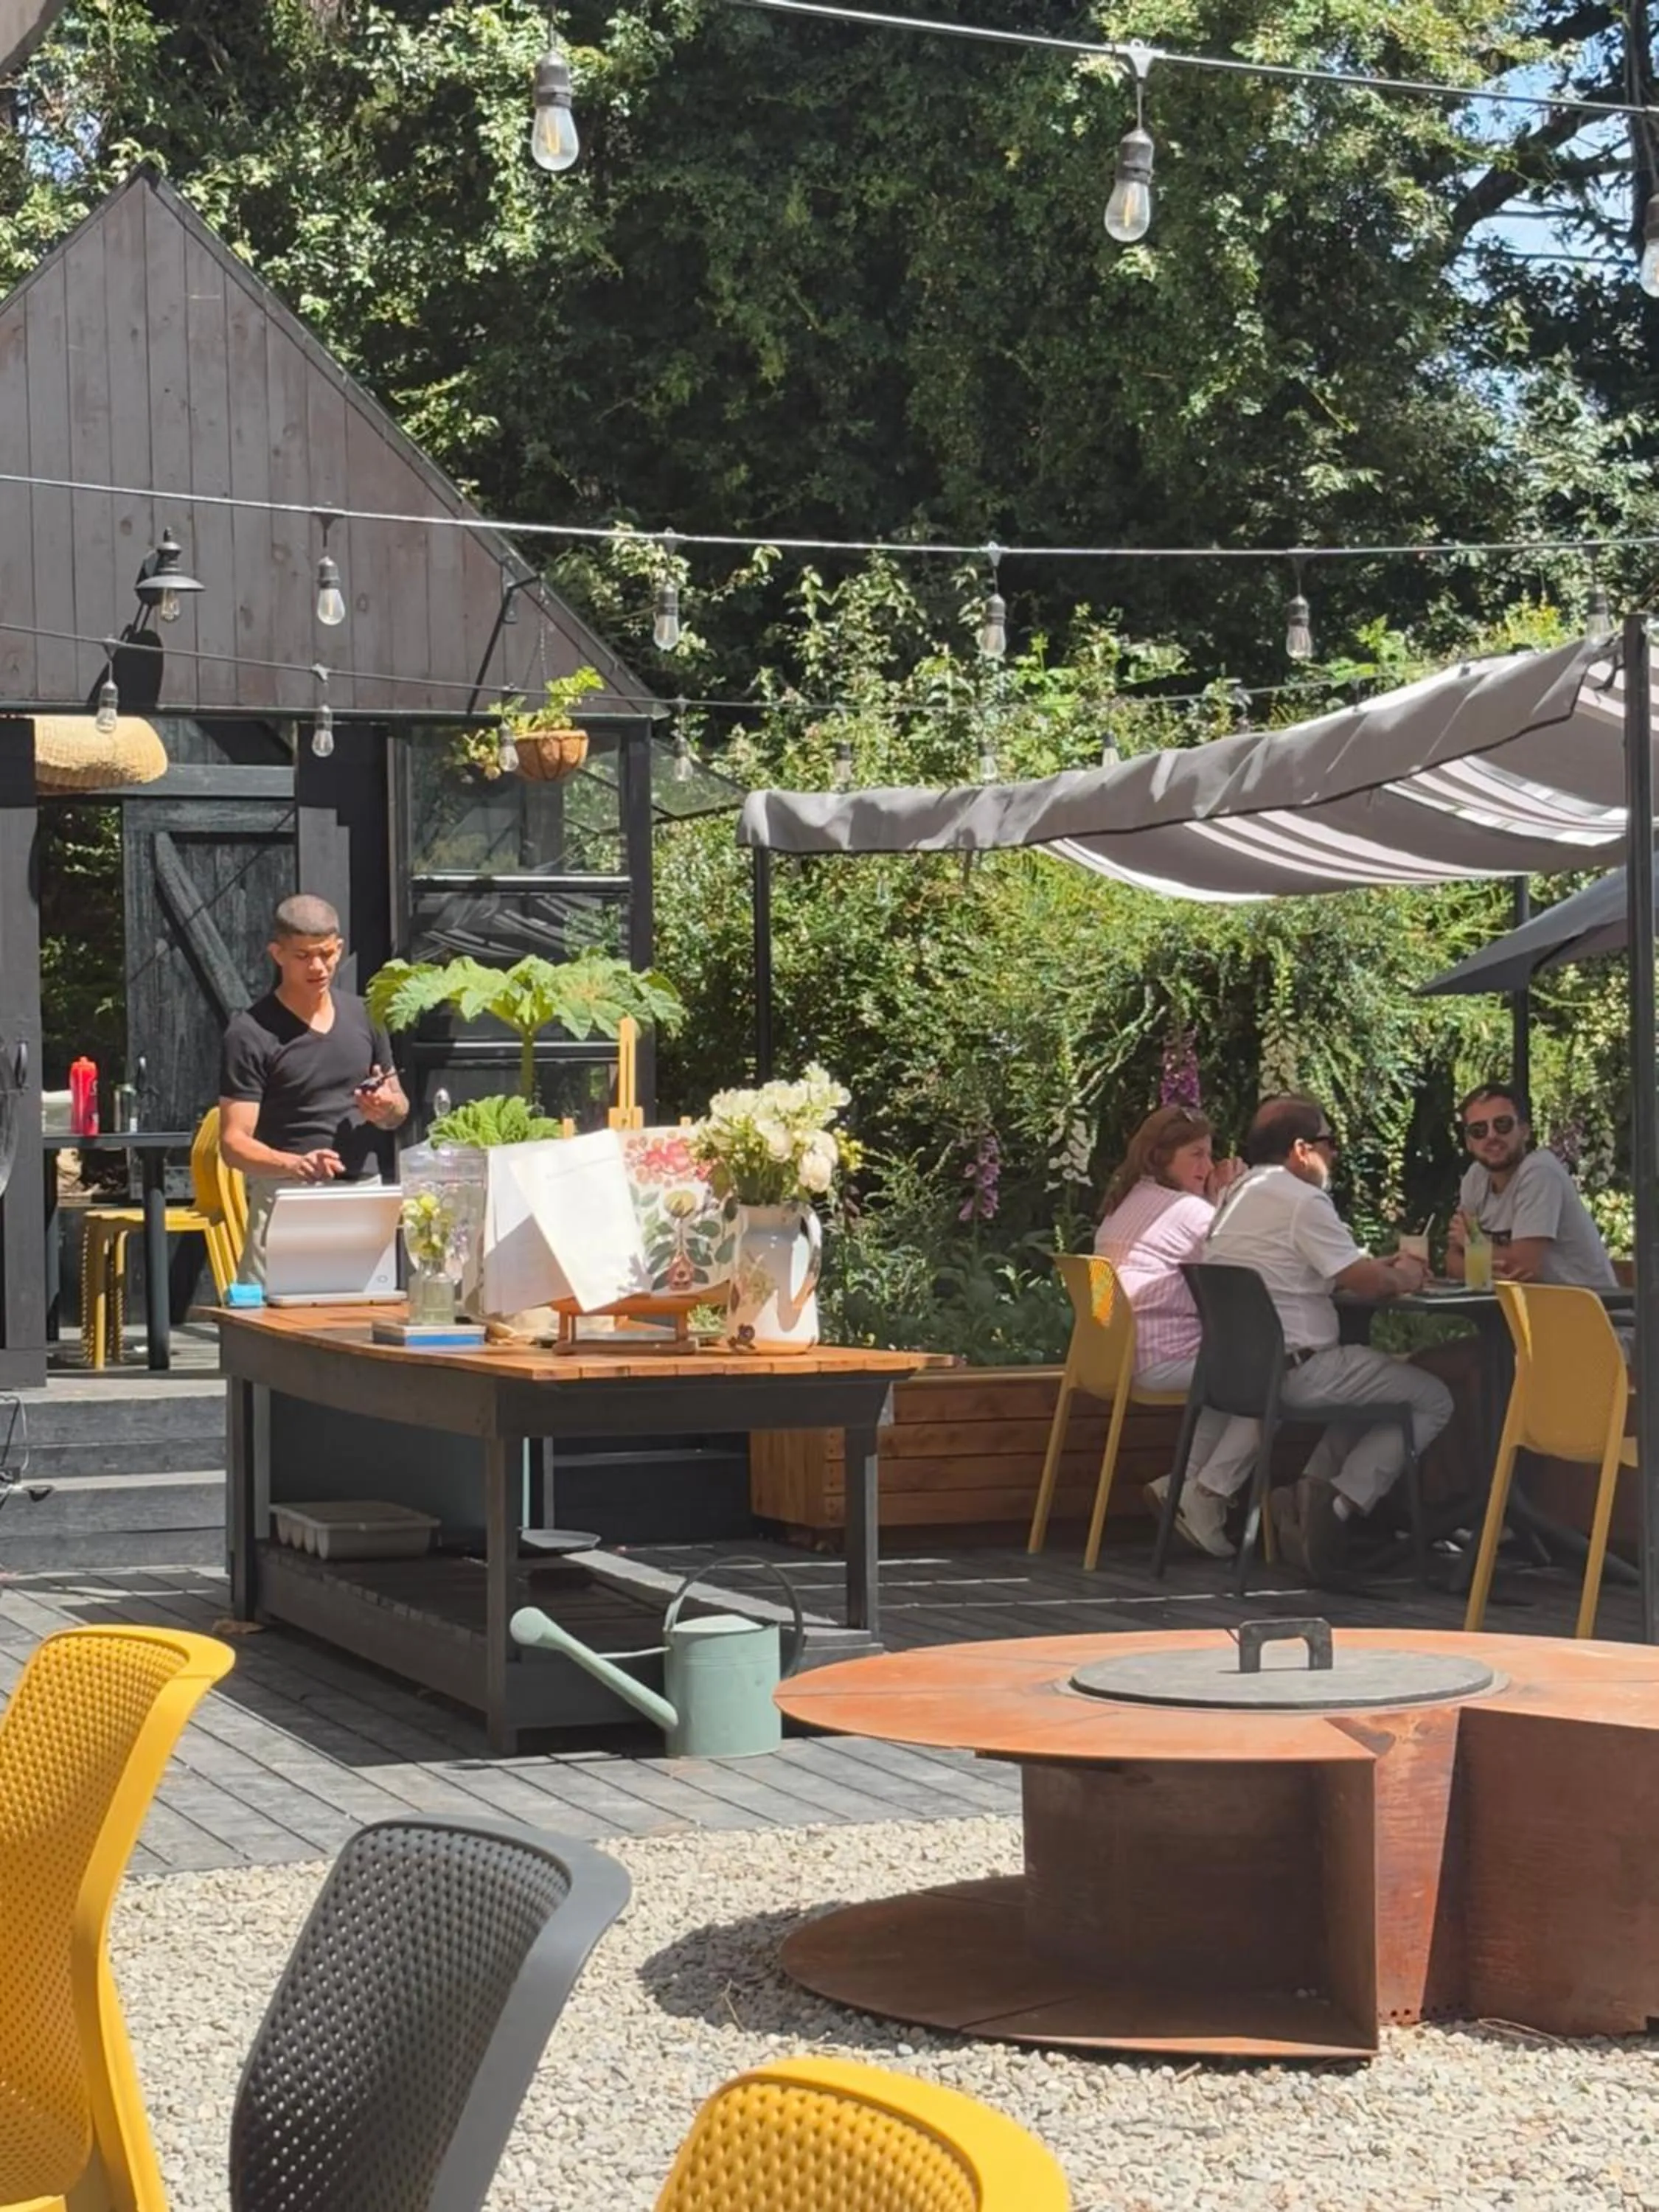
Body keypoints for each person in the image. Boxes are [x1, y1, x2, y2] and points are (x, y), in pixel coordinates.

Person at [1173, 1093, 1452, 1582]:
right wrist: (1405, 1275)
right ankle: (1337, 1509)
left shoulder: (1240, 1193)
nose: (1335, 1154)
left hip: (1241, 1371)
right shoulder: (1303, 1200)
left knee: (1376, 1388)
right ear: (1302, 1149)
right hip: (1298, 1371)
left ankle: (1310, 1495)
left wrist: (1375, 1269)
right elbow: (1366, 1283)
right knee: (1432, 1398)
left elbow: (1308, 1271)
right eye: (1331, 1143)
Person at [218, 895, 409, 1284]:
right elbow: (233, 1143)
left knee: (360, 1321)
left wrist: (386, 1108)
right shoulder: (251, 1032)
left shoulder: (364, 1016)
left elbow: (399, 1107)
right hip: (286, 1195)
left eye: (326, 953)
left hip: (363, 1191)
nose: (318, 967)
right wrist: (294, 1163)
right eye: (303, 956)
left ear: (339, 948)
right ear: (278, 954)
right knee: (275, 1325)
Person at [1094, 1105, 1243, 1394]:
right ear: (1161, 1158)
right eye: (1197, 1155)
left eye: (1209, 1155)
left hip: (1118, 1359)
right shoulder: (1187, 1211)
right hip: (1165, 1359)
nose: (1210, 1167)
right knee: (1271, 1373)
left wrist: (1211, 1201)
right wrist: (1230, 1196)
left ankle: (1203, 1444)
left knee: (1247, 1375)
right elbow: (1244, 1266)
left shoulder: (1125, 1201)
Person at [1447, 1083, 1616, 1289]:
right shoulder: (1475, 1178)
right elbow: (1452, 1264)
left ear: (1525, 1131)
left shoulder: (1540, 1172)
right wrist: (1478, 1257)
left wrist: (1473, 1245)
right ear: (1469, 1143)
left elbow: (1524, 1267)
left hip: (1593, 1313)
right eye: (1478, 1130)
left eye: (1502, 1124)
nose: (1491, 1136)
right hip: (1528, 1311)